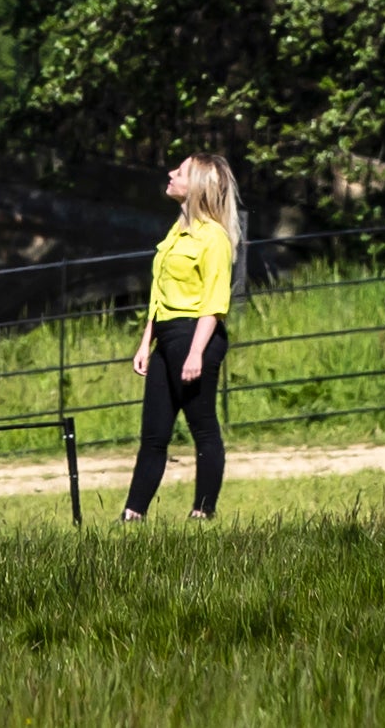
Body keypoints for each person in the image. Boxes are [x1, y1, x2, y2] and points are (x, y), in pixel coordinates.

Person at [119, 151, 240, 523]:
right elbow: (160, 291)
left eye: (181, 171)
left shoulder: (214, 238)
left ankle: (203, 512)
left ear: (199, 185)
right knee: (154, 432)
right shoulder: (177, 230)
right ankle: (132, 515)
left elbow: (215, 302)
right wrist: (146, 342)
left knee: (202, 426)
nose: (171, 173)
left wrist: (196, 354)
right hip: (167, 335)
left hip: (195, 335)